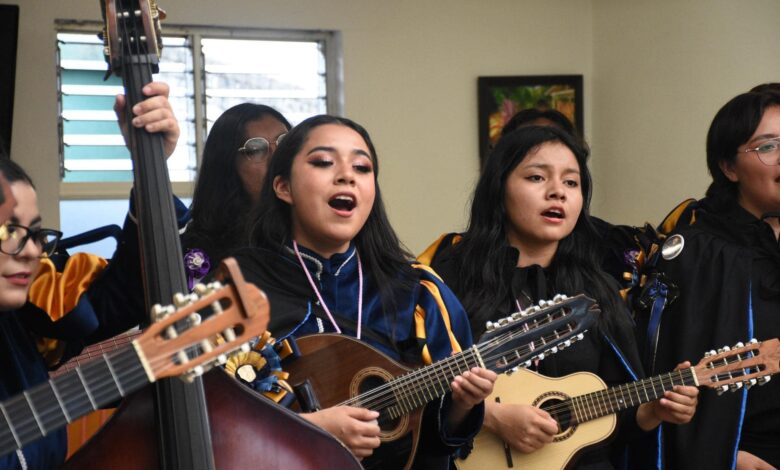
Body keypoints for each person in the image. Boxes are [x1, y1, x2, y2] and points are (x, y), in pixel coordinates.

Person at [419, 125, 698, 469]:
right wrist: (489, 416)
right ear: (499, 188)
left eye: (571, 182)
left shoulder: (598, 289)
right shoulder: (447, 275)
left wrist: (652, 411)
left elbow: (614, 421)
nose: (558, 193)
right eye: (537, 178)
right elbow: (411, 391)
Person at [227, 114, 496, 468]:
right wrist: (308, 429)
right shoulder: (235, 288)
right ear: (283, 187)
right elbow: (205, 423)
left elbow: (434, 440)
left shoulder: (419, 292)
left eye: (362, 167)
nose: (346, 175)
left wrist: (463, 406)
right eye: (323, 162)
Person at [0, 82, 179, 469]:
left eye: (34, 233)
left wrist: (150, 165)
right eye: (9, 231)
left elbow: (121, 298)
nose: (31, 250)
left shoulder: (26, 312)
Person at [639, 89, 780, 469]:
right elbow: (671, 377)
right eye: (768, 146)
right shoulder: (701, 251)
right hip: (740, 454)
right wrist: (728, 457)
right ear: (728, 167)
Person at [182, 103, 291, 267]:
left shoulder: (315, 228)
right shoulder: (200, 251)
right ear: (227, 165)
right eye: (256, 149)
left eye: (284, 143)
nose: (277, 159)